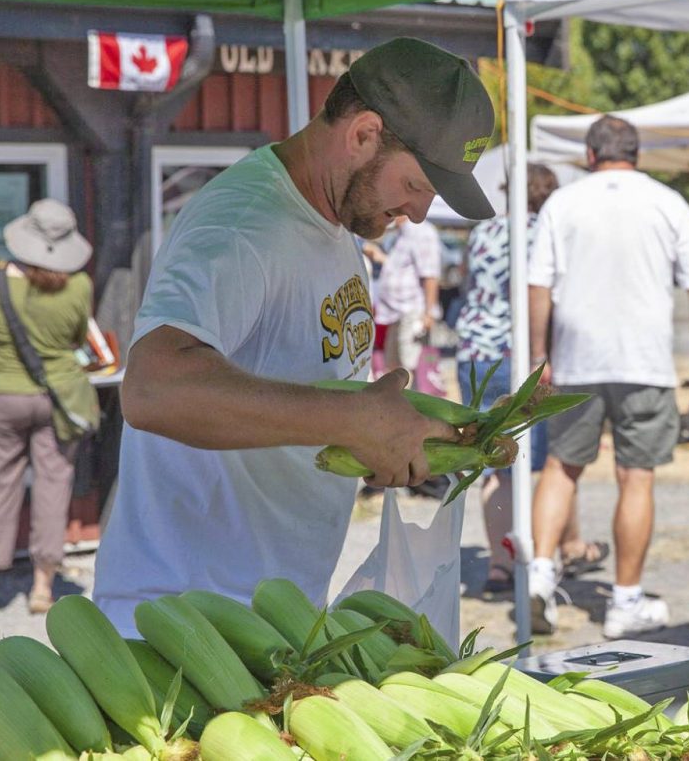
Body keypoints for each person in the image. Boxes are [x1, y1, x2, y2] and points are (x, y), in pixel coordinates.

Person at [95, 38, 494, 633]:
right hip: (187, 621)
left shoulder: (334, 219)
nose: (416, 211)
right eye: (415, 185)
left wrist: (423, 432)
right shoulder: (243, 225)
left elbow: (304, 396)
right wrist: (353, 422)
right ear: (363, 134)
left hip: (268, 614)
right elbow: (153, 389)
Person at [526, 115, 689, 638]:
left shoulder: (561, 204)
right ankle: (625, 602)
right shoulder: (667, 202)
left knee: (561, 467)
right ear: (636, 154)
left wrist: (539, 355)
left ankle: (541, 576)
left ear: (590, 155)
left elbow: (538, 286)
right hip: (644, 360)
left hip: (576, 359)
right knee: (635, 476)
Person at [454, 163, 604, 596]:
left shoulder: (484, 231)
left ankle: (501, 564)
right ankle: (552, 551)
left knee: (494, 463)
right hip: (525, 357)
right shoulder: (547, 232)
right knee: (556, 462)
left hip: (476, 354)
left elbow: (467, 287)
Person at [0, 199, 99, 616]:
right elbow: (75, 340)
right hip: (59, 398)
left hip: (5, 396)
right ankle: (42, 588)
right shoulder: (80, 286)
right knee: (54, 488)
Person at [367, 215, 443, 386]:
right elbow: (401, 270)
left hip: (412, 312)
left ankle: (409, 409)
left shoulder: (423, 232)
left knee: (407, 369)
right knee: (394, 367)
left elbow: (430, 275)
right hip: (394, 312)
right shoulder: (401, 234)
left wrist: (428, 314)